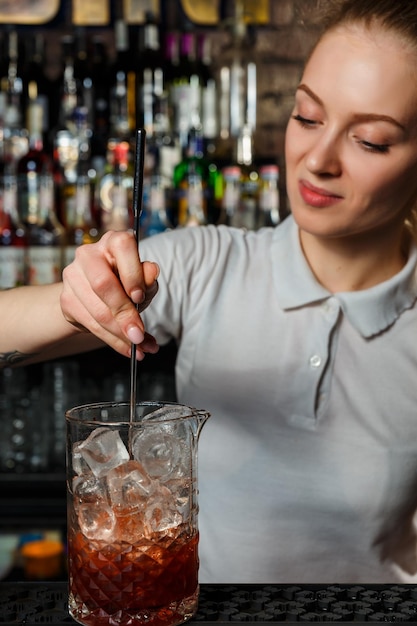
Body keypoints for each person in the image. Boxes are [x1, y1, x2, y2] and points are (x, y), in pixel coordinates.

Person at [3, 0, 417, 583]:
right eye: (306, 117)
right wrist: (73, 300)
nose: (318, 160)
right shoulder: (207, 264)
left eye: (370, 141)